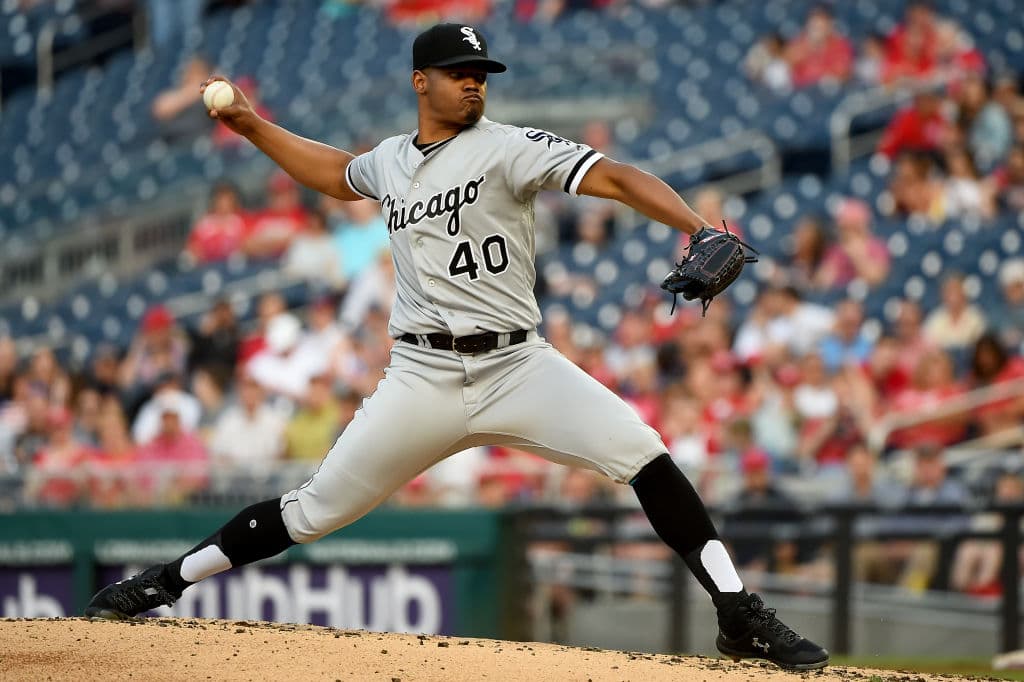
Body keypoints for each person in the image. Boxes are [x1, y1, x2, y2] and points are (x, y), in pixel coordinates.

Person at [84, 23, 828, 670]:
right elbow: (335, 174)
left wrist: (695, 225)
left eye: (481, 74)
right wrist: (251, 125)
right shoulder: (389, 161)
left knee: (646, 455)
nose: (474, 83)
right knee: (312, 512)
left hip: (517, 364)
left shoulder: (510, 147)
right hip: (423, 374)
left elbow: (615, 176)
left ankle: (737, 612)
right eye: (458, 72)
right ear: (421, 81)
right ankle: (166, 581)